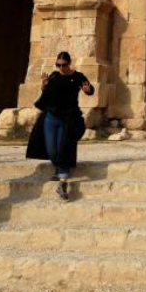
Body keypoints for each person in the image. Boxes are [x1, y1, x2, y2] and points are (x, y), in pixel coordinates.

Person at [34, 51, 93, 202]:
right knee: (51, 150)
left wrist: (88, 90)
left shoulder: (77, 76)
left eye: (63, 65)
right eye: (58, 65)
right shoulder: (53, 76)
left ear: (69, 63)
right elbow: (46, 94)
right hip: (51, 118)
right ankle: (60, 167)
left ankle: (62, 180)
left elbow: (89, 89)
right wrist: (43, 86)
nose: (61, 67)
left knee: (62, 148)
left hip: (67, 119)